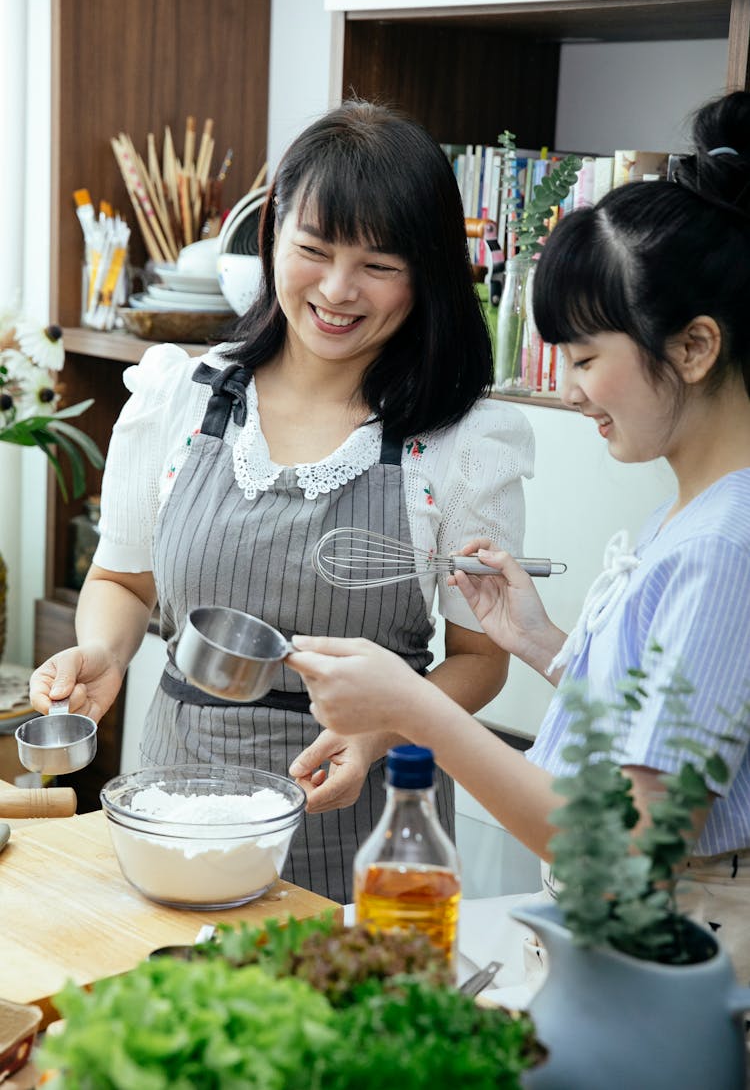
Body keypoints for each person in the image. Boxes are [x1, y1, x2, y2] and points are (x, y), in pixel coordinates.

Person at [288, 91, 750, 972]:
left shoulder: (724, 545)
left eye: (585, 360)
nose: (571, 392)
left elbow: (624, 857)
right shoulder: (694, 515)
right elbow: (652, 720)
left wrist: (416, 707)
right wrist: (541, 643)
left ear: (693, 348)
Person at [30, 100, 534, 904]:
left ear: (428, 270)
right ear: (271, 239)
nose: (338, 290)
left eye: (379, 264)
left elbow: (481, 659)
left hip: (366, 817)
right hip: (176, 804)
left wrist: (375, 734)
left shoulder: (459, 443)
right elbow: (123, 582)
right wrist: (105, 653)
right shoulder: (181, 396)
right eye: (314, 249)